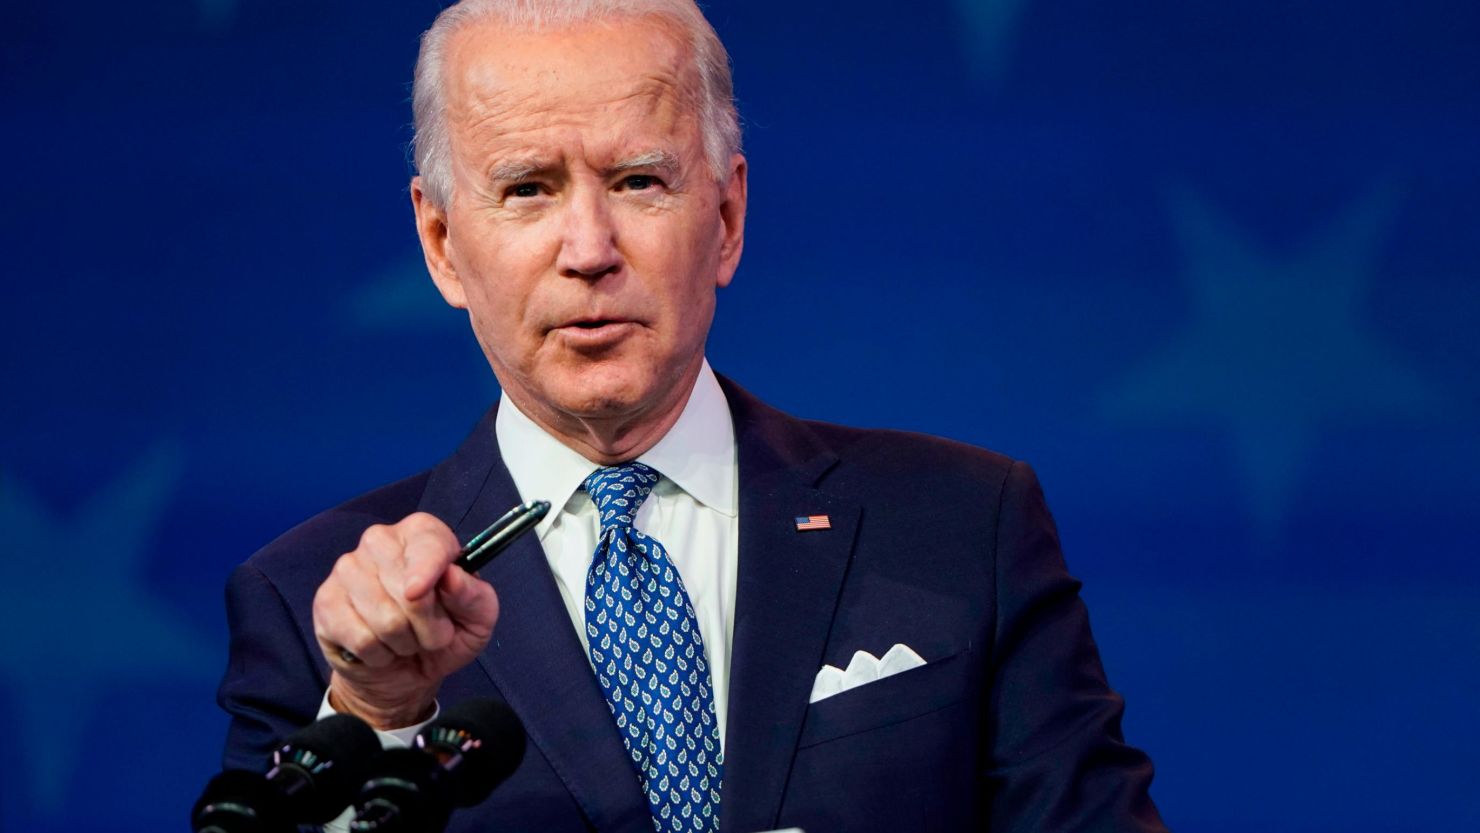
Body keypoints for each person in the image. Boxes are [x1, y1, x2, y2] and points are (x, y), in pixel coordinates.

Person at [217, 1, 1169, 831]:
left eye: (639, 180)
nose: (589, 249)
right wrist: (379, 708)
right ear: (442, 245)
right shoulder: (314, 608)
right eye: (528, 189)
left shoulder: (964, 526)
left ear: (727, 216)